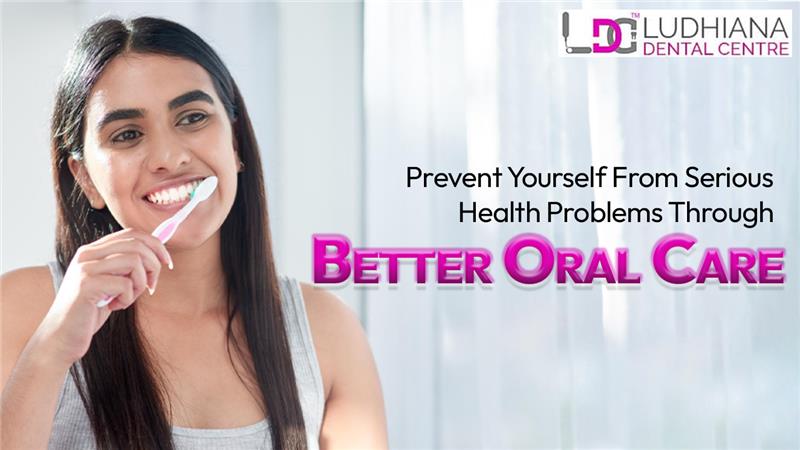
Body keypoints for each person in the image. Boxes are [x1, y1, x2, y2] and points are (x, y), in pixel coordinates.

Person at [0, 16, 387, 450]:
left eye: (192, 118)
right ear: (85, 178)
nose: (169, 157)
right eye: (127, 135)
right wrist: (52, 349)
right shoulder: (21, 313)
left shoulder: (326, 331)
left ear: (235, 143)